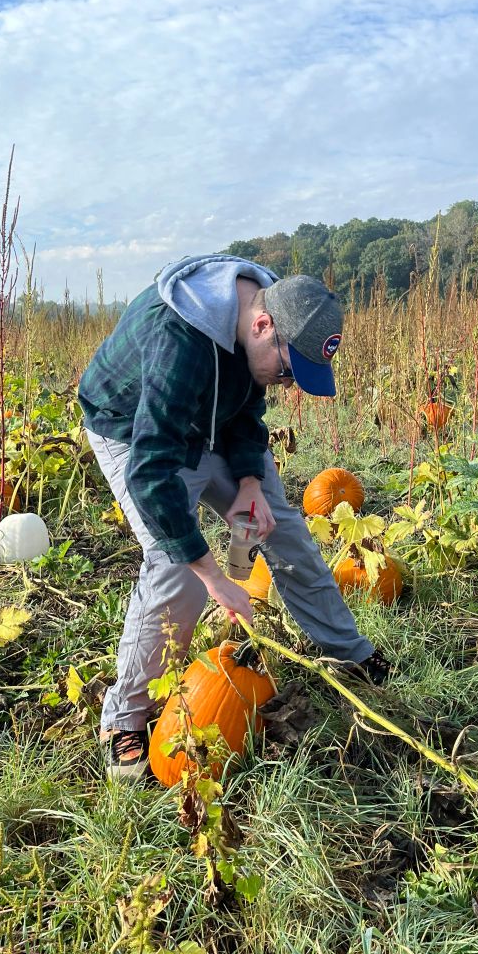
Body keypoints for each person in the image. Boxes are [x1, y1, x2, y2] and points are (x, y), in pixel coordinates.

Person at [78, 253, 391, 780]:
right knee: (174, 564)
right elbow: (151, 472)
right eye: (290, 370)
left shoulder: (258, 325)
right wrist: (212, 576)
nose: (289, 383)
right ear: (263, 326)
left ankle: (348, 652)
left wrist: (248, 480)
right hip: (133, 430)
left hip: (209, 419)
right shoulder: (181, 339)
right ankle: (123, 718)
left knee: (279, 523)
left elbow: (248, 404)